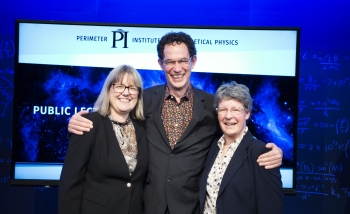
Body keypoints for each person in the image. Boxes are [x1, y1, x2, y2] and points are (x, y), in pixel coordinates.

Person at [67, 32, 283, 214]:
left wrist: (268, 151)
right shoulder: (144, 99)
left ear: (193, 61)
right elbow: (114, 113)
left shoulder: (211, 105)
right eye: (170, 61)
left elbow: (237, 130)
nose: (177, 68)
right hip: (147, 206)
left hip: (190, 207)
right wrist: (80, 121)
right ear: (161, 64)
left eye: (183, 61)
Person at [58, 65, 148, 214]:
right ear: (108, 89)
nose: (126, 93)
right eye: (119, 86)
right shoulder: (88, 124)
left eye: (132, 88)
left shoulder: (142, 128)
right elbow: (71, 182)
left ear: (138, 94)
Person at [198, 81, 284, 214]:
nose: (228, 116)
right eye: (223, 109)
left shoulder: (262, 153)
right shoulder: (212, 146)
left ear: (247, 113)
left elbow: (271, 209)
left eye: (235, 110)